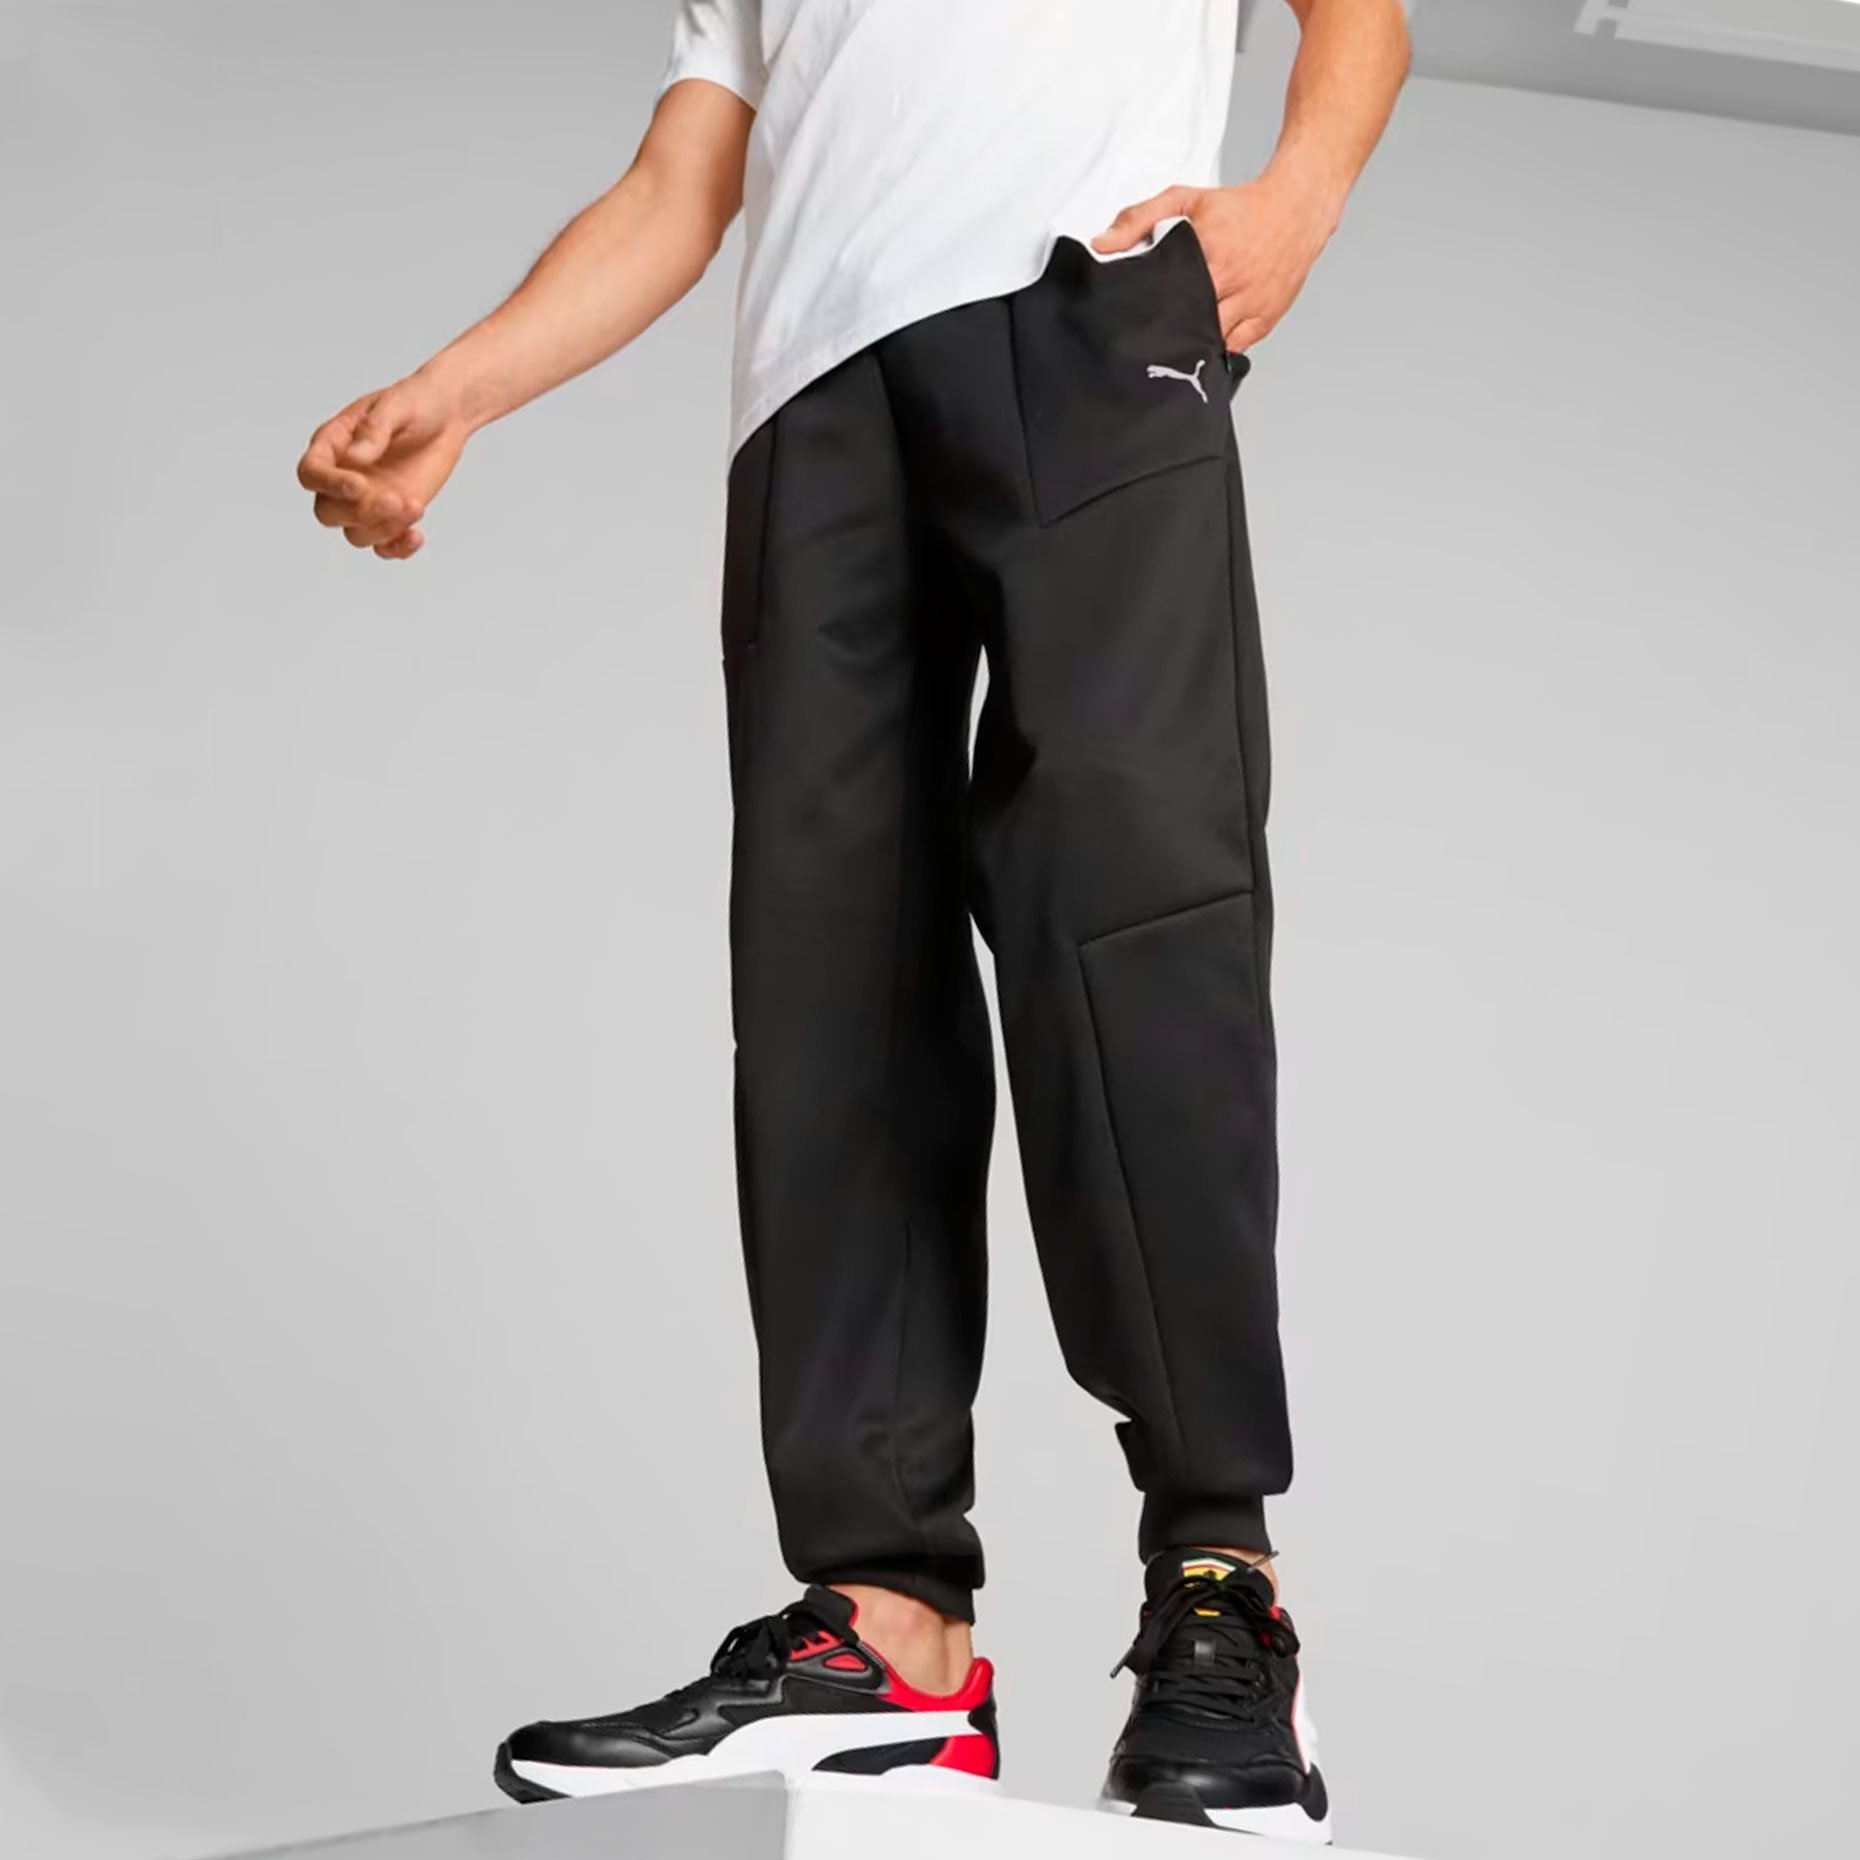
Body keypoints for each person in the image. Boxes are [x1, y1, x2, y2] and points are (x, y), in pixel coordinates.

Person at [297, 0, 1409, 1840]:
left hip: (1086, 313)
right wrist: (460, 389)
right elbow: (684, 176)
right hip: (812, 400)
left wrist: (1297, 198)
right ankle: (889, 1636)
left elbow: (1360, 13)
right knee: (831, 988)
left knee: (1133, 919)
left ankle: (1222, 1584)